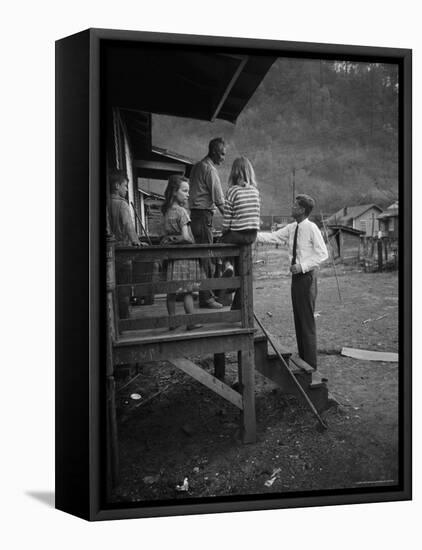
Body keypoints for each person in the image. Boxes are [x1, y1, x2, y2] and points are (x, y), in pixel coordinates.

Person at [256, 194, 328, 369]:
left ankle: (311, 366)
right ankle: (304, 361)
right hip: (296, 279)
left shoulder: (311, 228)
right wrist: (252, 234)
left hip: (307, 277)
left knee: (306, 321)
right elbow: (273, 237)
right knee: (298, 319)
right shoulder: (292, 227)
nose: (292, 207)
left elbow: (323, 254)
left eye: (295, 205)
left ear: (302, 210)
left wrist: (302, 266)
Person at [161, 175, 203, 331]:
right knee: (187, 291)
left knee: (171, 291)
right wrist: (185, 240)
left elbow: (165, 235)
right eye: (184, 191)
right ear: (174, 192)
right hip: (185, 257)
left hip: (172, 258)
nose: (187, 194)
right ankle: (191, 322)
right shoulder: (182, 212)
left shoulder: (166, 210)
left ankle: (172, 322)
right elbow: (186, 237)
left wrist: (170, 240)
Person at [188, 137, 226, 309]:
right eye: (222, 154)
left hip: (195, 216)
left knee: (201, 256)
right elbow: (219, 200)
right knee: (206, 257)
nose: (223, 158)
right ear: (214, 152)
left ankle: (204, 293)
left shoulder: (196, 166)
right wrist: (231, 219)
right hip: (203, 217)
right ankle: (207, 298)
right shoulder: (210, 170)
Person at [219, 156, 261, 309]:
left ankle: (228, 265)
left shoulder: (232, 191)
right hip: (251, 236)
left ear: (233, 173)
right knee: (243, 269)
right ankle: (237, 306)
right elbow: (255, 214)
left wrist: (224, 231)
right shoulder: (255, 191)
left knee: (222, 242)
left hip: (237, 234)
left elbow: (227, 218)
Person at [108, 170, 142, 318]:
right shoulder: (122, 205)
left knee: (111, 288)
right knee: (124, 288)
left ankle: (113, 318)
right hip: (122, 252)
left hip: (110, 252)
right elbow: (128, 225)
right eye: (125, 186)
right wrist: (136, 241)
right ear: (117, 186)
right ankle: (124, 319)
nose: (127, 189)